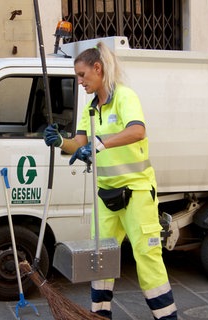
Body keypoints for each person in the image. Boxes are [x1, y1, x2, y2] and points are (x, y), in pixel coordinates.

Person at [43, 42, 177, 320]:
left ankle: (166, 317)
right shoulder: (90, 108)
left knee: (147, 257)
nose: (79, 82)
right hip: (105, 194)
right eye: (77, 77)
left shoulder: (125, 97)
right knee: (99, 257)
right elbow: (80, 143)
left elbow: (137, 131)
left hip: (137, 192)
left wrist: (100, 144)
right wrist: (60, 142)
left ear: (98, 68)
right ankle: (99, 316)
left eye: (82, 75)